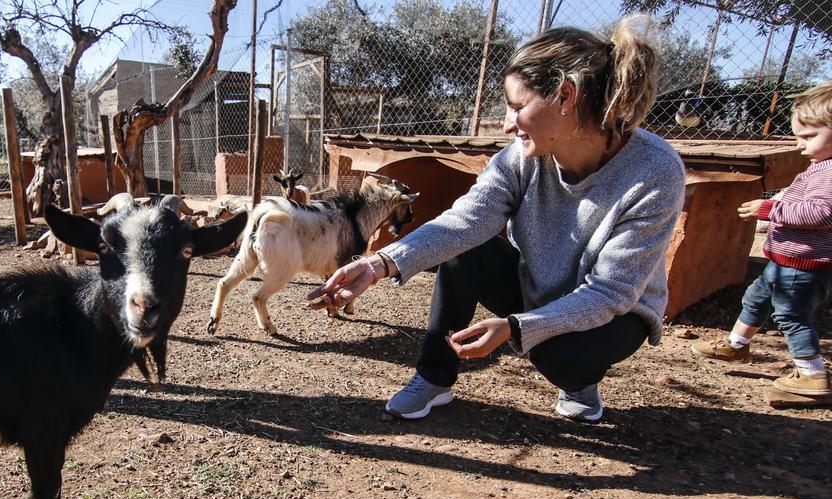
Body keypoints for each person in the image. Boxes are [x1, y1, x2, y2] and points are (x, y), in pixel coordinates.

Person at [306, 18, 686, 423]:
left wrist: (515, 328)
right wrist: (379, 262)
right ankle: (433, 379)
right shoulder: (522, 158)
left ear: (566, 97)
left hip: (616, 313)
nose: (507, 123)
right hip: (537, 286)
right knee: (466, 248)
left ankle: (579, 383)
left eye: (518, 106)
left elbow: (611, 292)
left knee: (560, 357)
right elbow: (467, 220)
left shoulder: (655, 172)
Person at [692, 81, 832, 395]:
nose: (800, 145)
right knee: (755, 298)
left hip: (803, 266)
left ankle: (813, 373)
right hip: (786, 260)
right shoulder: (820, 167)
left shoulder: (828, 173)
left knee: (791, 315)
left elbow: (823, 213)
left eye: (809, 137)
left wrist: (772, 209)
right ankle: (735, 344)